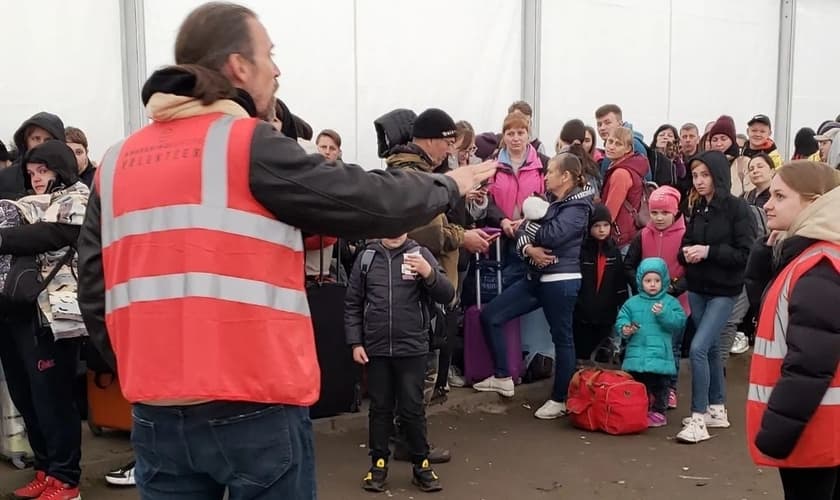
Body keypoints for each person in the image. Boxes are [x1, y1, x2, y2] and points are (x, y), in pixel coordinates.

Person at [76, 4, 496, 499]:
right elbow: (367, 200)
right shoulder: (245, 144)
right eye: (269, 55)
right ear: (239, 67)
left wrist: (144, 369)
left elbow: (94, 288)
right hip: (254, 403)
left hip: (155, 408)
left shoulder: (114, 163)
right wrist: (446, 184)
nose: (277, 69)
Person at [744, 161, 840, 500]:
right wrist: (764, 251)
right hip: (812, 427)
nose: (768, 204)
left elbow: (810, 364)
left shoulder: (819, 267)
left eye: (780, 196)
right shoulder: (810, 259)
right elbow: (767, 309)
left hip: (813, 430)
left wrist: (777, 432)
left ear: (815, 203)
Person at [474, 153, 594, 420]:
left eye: (551, 171)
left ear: (566, 176)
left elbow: (553, 235)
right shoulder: (550, 202)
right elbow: (521, 239)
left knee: (562, 338)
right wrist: (529, 245)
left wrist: (527, 228)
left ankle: (560, 398)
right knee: (491, 315)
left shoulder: (579, 207)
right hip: (533, 279)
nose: (545, 175)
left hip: (560, 282)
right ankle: (503, 376)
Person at [0, 140, 89, 500]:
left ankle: (67, 480)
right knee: (25, 396)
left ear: (61, 168)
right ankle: (46, 470)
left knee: (52, 398)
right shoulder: (25, 203)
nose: (36, 179)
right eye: (31, 172)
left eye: (43, 171)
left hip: (53, 316)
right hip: (16, 309)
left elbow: (53, 234)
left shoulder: (79, 197)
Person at [344, 233, 454, 493]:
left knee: (412, 409)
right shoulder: (367, 257)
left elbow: (446, 293)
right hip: (376, 349)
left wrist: (429, 273)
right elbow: (353, 304)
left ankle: (421, 464)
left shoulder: (421, 254)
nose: (394, 231)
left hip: (412, 348)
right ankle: (378, 464)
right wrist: (355, 343)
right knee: (380, 409)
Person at [676, 151, 753, 444]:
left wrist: (707, 251)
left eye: (705, 175)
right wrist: (685, 253)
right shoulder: (698, 208)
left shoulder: (737, 209)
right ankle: (717, 409)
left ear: (718, 175)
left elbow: (745, 253)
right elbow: (685, 243)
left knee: (697, 348)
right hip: (697, 288)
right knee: (706, 350)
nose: (699, 181)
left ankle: (698, 419)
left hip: (724, 291)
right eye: (695, 175)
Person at [623, 185, 689, 410]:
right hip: (644, 306)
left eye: (665, 213)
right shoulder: (642, 235)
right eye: (654, 212)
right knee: (644, 345)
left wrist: (673, 290)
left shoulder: (686, 235)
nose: (659, 218)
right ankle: (645, 390)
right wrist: (640, 288)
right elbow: (629, 265)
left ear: (675, 212)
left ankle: (669, 389)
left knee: (672, 348)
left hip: (676, 304)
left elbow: (692, 271)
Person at [616, 257, 687, 427]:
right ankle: (640, 409)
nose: (653, 284)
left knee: (661, 386)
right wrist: (625, 329)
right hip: (636, 354)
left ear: (664, 281)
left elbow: (679, 322)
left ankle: (658, 412)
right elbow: (621, 319)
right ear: (641, 281)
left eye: (657, 280)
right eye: (648, 281)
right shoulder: (632, 303)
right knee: (638, 385)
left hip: (660, 356)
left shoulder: (670, 302)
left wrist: (664, 314)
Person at [485, 110, 547, 286]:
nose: (516, 138)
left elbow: (548, 198)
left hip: (532, 235)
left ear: (529, 135)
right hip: (501, 237)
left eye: (520, 133)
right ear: (503, 136)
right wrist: (502, 220)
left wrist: (526, 221)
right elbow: (486, 199)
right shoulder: (492, 164)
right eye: (510, 133)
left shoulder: (544, 163)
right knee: (503, 284)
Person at [573, 203, 627, 361]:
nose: (602, 230)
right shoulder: (581, 251)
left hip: (606, 316)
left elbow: (619, 283)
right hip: (581, 316)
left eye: (606, 225)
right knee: (581, 355)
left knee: (600, 356)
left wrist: (622, 306)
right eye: (597, 225)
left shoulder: (614, 251)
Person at [601, 127, 650, 254]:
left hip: (620, 238)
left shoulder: (621, 173)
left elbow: (610, 213)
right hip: (630, 233)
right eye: (610, 141)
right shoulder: (632, 167)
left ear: (628, 149)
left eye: (618, 144)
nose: (611, 147)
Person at [0, 112, 65, 200]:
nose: (41, 145)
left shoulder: (68, 179)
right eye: (36, 138)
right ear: (26, 141)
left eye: (48, 140)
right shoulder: (5, 179)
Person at [707, 115, 752, 197]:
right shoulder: (706, 164)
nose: (719, 143)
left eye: (723, 139)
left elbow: (750, 194)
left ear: (732, 140)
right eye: (714, 140)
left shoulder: (743, 163)